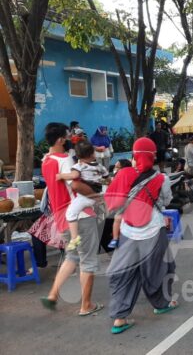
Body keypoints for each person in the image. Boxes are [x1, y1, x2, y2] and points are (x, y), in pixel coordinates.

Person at [104, 137, 177, 334]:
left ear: (134, 155)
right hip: (153, 229)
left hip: (127, 230)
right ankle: (161, 303)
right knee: (161, 267)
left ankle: (120, 317)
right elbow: (166, 201)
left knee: (125, 273)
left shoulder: (123, 173)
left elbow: (112, 199)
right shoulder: (161, 178)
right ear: (153, 156)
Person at [40, 123, 103, 316]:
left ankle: (52, 295)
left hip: (61, 217)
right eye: (67, 137)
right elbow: (75, 186)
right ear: (60, 140)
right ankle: (86, 305)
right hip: (80, 216)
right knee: (88, 260)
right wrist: (96, 196)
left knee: (72, 257)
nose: (69, 140)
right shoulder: (65, 160)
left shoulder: (46, 160)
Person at [56, 140, 109, 251]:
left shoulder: (79, 166)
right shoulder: (99, 166)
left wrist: (61, 175)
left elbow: (74, 175)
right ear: (93, 154)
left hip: (85, 197)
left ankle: (74, 238)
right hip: (97, 194)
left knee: (70, 214)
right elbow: (107, 178)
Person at [108, 159, 133, 249]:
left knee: (117, 217)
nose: (115, 168)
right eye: (115, 166)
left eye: (117, 167)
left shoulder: (124, 176)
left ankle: (115, 238)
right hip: (122, 201)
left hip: (126, 201)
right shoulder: (116, 176)